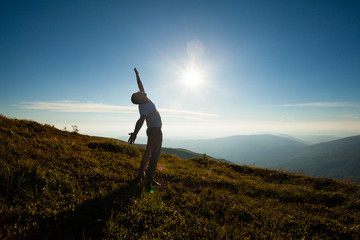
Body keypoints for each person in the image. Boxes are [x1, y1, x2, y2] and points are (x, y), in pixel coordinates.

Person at [128, 68, 163, 189]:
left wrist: (137, 75)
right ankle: (149, 180)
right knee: (154, 155)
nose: (140, 92)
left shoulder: (144, 98)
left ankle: (141, 173)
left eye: (138, 92)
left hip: (153, 130)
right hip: (155, 131)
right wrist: (135, 133)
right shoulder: (143, 107)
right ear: (139, 100)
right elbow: (141, 120)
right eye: (138, 94)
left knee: (149, 153)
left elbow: (140, 84)